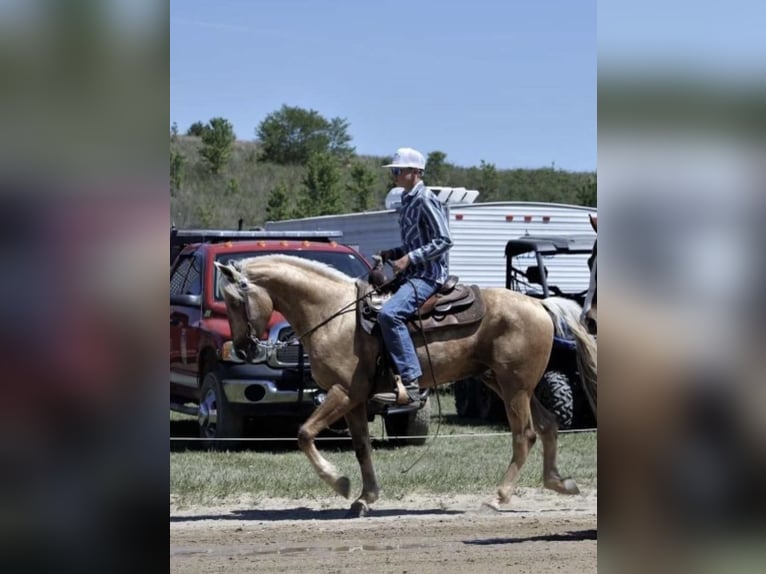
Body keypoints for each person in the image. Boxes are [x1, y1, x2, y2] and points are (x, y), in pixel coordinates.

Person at [371, 147, 453, 407]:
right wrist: (392, 252)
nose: (394, 175)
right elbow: (416, 242)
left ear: (415, 172)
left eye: (398, 170)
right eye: (394, 171)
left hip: (428, 275)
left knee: (389, 314)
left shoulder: (426, 198)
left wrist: (409, 259)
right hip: (413, 273)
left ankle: (411, 383)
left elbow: (444, 240)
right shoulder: (407, 200)